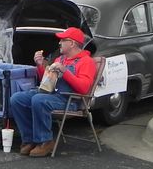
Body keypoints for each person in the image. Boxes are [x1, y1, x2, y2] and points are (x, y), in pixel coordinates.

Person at [9, 26, 97, 158]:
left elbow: (84, 88)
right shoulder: (59, 59)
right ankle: (29, 139)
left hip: (70, 100)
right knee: (17, 99)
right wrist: (40, 65)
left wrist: (64, 71)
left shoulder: (86, 62)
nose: (59, 43)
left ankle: (45, 141)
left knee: (38, 100)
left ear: (72, 43)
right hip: (51, 94)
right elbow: (47, 82)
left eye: (63, 40)